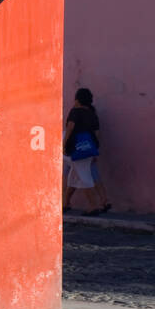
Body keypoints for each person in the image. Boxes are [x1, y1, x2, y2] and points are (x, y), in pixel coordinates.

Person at [63, 87, 110, 215]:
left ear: (77, 100)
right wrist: (94, 150)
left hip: (75, 149)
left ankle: (93, 206)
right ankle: (66, 203)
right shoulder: (93, 114)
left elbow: (70, 128)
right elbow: (97, 134)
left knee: (84, 177)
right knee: (75, 175)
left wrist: (64, 144)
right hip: (88, 148)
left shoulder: (75, 111)